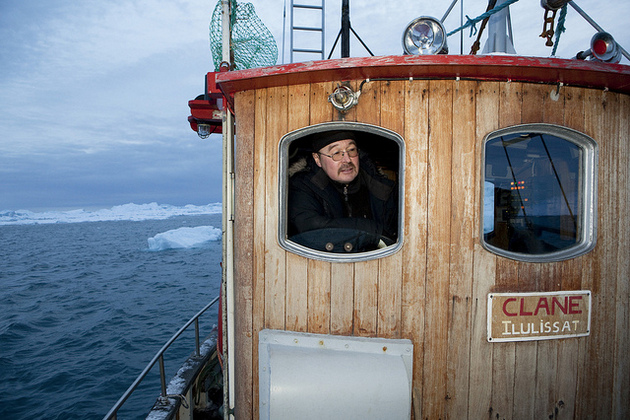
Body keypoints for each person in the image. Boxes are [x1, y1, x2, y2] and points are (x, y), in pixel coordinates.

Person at [288, 130, 398, 253]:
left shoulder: (380, 187)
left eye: (351, 150)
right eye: (336, 153)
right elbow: (310, 229)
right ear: (317, 159)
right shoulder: (302, 186)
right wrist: (372, 231)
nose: (347, 160)